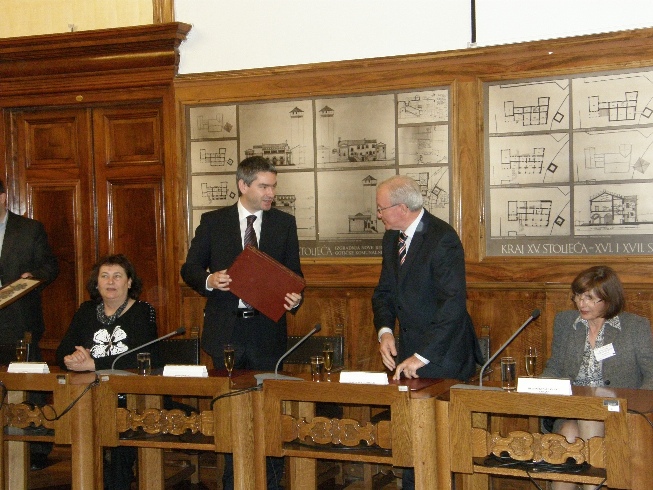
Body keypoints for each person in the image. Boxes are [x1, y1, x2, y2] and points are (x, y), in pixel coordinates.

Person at [180, 155, 303, 490]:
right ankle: (233, 481)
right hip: (227, 331)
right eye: (264, 186)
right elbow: (190, 268)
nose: (271, 193)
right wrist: (210, 280)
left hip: (267, 332)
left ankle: (272, 482)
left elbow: (294, 275)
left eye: (273, 186)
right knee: (232, 412)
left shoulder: (283, 223)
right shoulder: (214, 222)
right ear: (243, 185)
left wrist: (296, 298)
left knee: (268, 411)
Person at [371, 175, 482, 490]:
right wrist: (385, 332)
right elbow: (384, 293)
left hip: (443, 354)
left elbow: (453, 305)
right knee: (414, 440)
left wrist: (422, 356)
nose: (378, 215)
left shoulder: (442, 238)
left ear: (402, 208)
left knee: (438, 445)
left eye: (381, 209)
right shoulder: (391, 239)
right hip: (409, 353)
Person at [542, 265, 653, 490]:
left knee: (574, 433)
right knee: (569, 432)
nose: (582, 304)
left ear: (609, 299)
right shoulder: (566, 322)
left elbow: (651, 374)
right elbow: (555, 367)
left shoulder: (635, 327)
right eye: (578, 296)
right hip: (571, 409)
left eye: (591, 298)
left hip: (619, 414)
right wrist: (537, 386)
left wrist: (636, 413)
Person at [56, 254, 157, 490]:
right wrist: (72, 359)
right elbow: (62, 352)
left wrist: (94, 364)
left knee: (116, 431)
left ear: (129, 282)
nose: (110, 282)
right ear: (97, 282)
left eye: (117, 276)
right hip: (88, 396)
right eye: (104, 276)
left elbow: (144, 356)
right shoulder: (86, 311)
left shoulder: (143, 311)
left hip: (131, 398)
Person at [0, 179, 59, 471]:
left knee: (28, 386)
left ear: (2, 198)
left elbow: (50, 267)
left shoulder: (29, 229)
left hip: (20, 320)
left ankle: (36, 450)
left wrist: (32, 276)